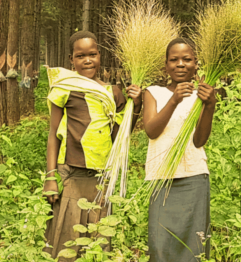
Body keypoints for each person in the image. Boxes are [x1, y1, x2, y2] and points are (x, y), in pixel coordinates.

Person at [43, 31, 142, 260]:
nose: (87, 60)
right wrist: (50, 178)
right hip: (72, 174)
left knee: (98, 241)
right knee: (67, 241)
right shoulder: (64, 87)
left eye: (92, 54)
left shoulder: (113, 92)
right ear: (71, 60)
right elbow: (53, 135)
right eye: (80, 56)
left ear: (100, 56)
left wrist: (135, 106)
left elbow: (119, 137)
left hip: (102, 177)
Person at [143, 38, 217, 262]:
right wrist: (174, 100)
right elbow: (151, 130)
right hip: (161, 178)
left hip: (193, 177)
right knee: (160, 245)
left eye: (187, 59)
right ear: (166, 66)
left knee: (194, 246)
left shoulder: (201, 95)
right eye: (174, 60)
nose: (181, 64)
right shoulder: (153, 92)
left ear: (196, 64)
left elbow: (199, 140)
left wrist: (210, 105)